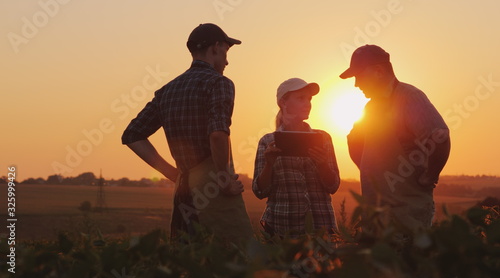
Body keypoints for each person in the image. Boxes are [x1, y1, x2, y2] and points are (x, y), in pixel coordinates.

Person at [121, 23, 253, 244]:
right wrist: (224, 180)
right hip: (214, 194)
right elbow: (218, 134)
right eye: (226, 52)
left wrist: (173, 173)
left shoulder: (167, 91)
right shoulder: (219, 83)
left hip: (184, 194)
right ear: (216, 47)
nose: (227, 61)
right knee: (232, 261)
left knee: (189, 264)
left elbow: (132, 135)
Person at [339, 44, 451, 232]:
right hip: (375, 215)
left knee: (409, 260)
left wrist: (430, 176)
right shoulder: (370, 108)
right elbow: (353, 141)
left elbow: (440, 137)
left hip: (407, 215)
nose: (356, 84)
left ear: (379, 71)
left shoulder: (410, 97)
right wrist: (369, 172)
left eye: (359, 76)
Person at [252, 78, 341, 238]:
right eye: (301, 98)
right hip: (281, 229)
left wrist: (322, 165)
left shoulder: (323, 138)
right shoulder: (267, 142)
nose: (308, 103)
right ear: (283, 102)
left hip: (321, 228)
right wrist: (269, 165)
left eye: (309, 99)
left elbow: (333, 186)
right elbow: (259, 191)